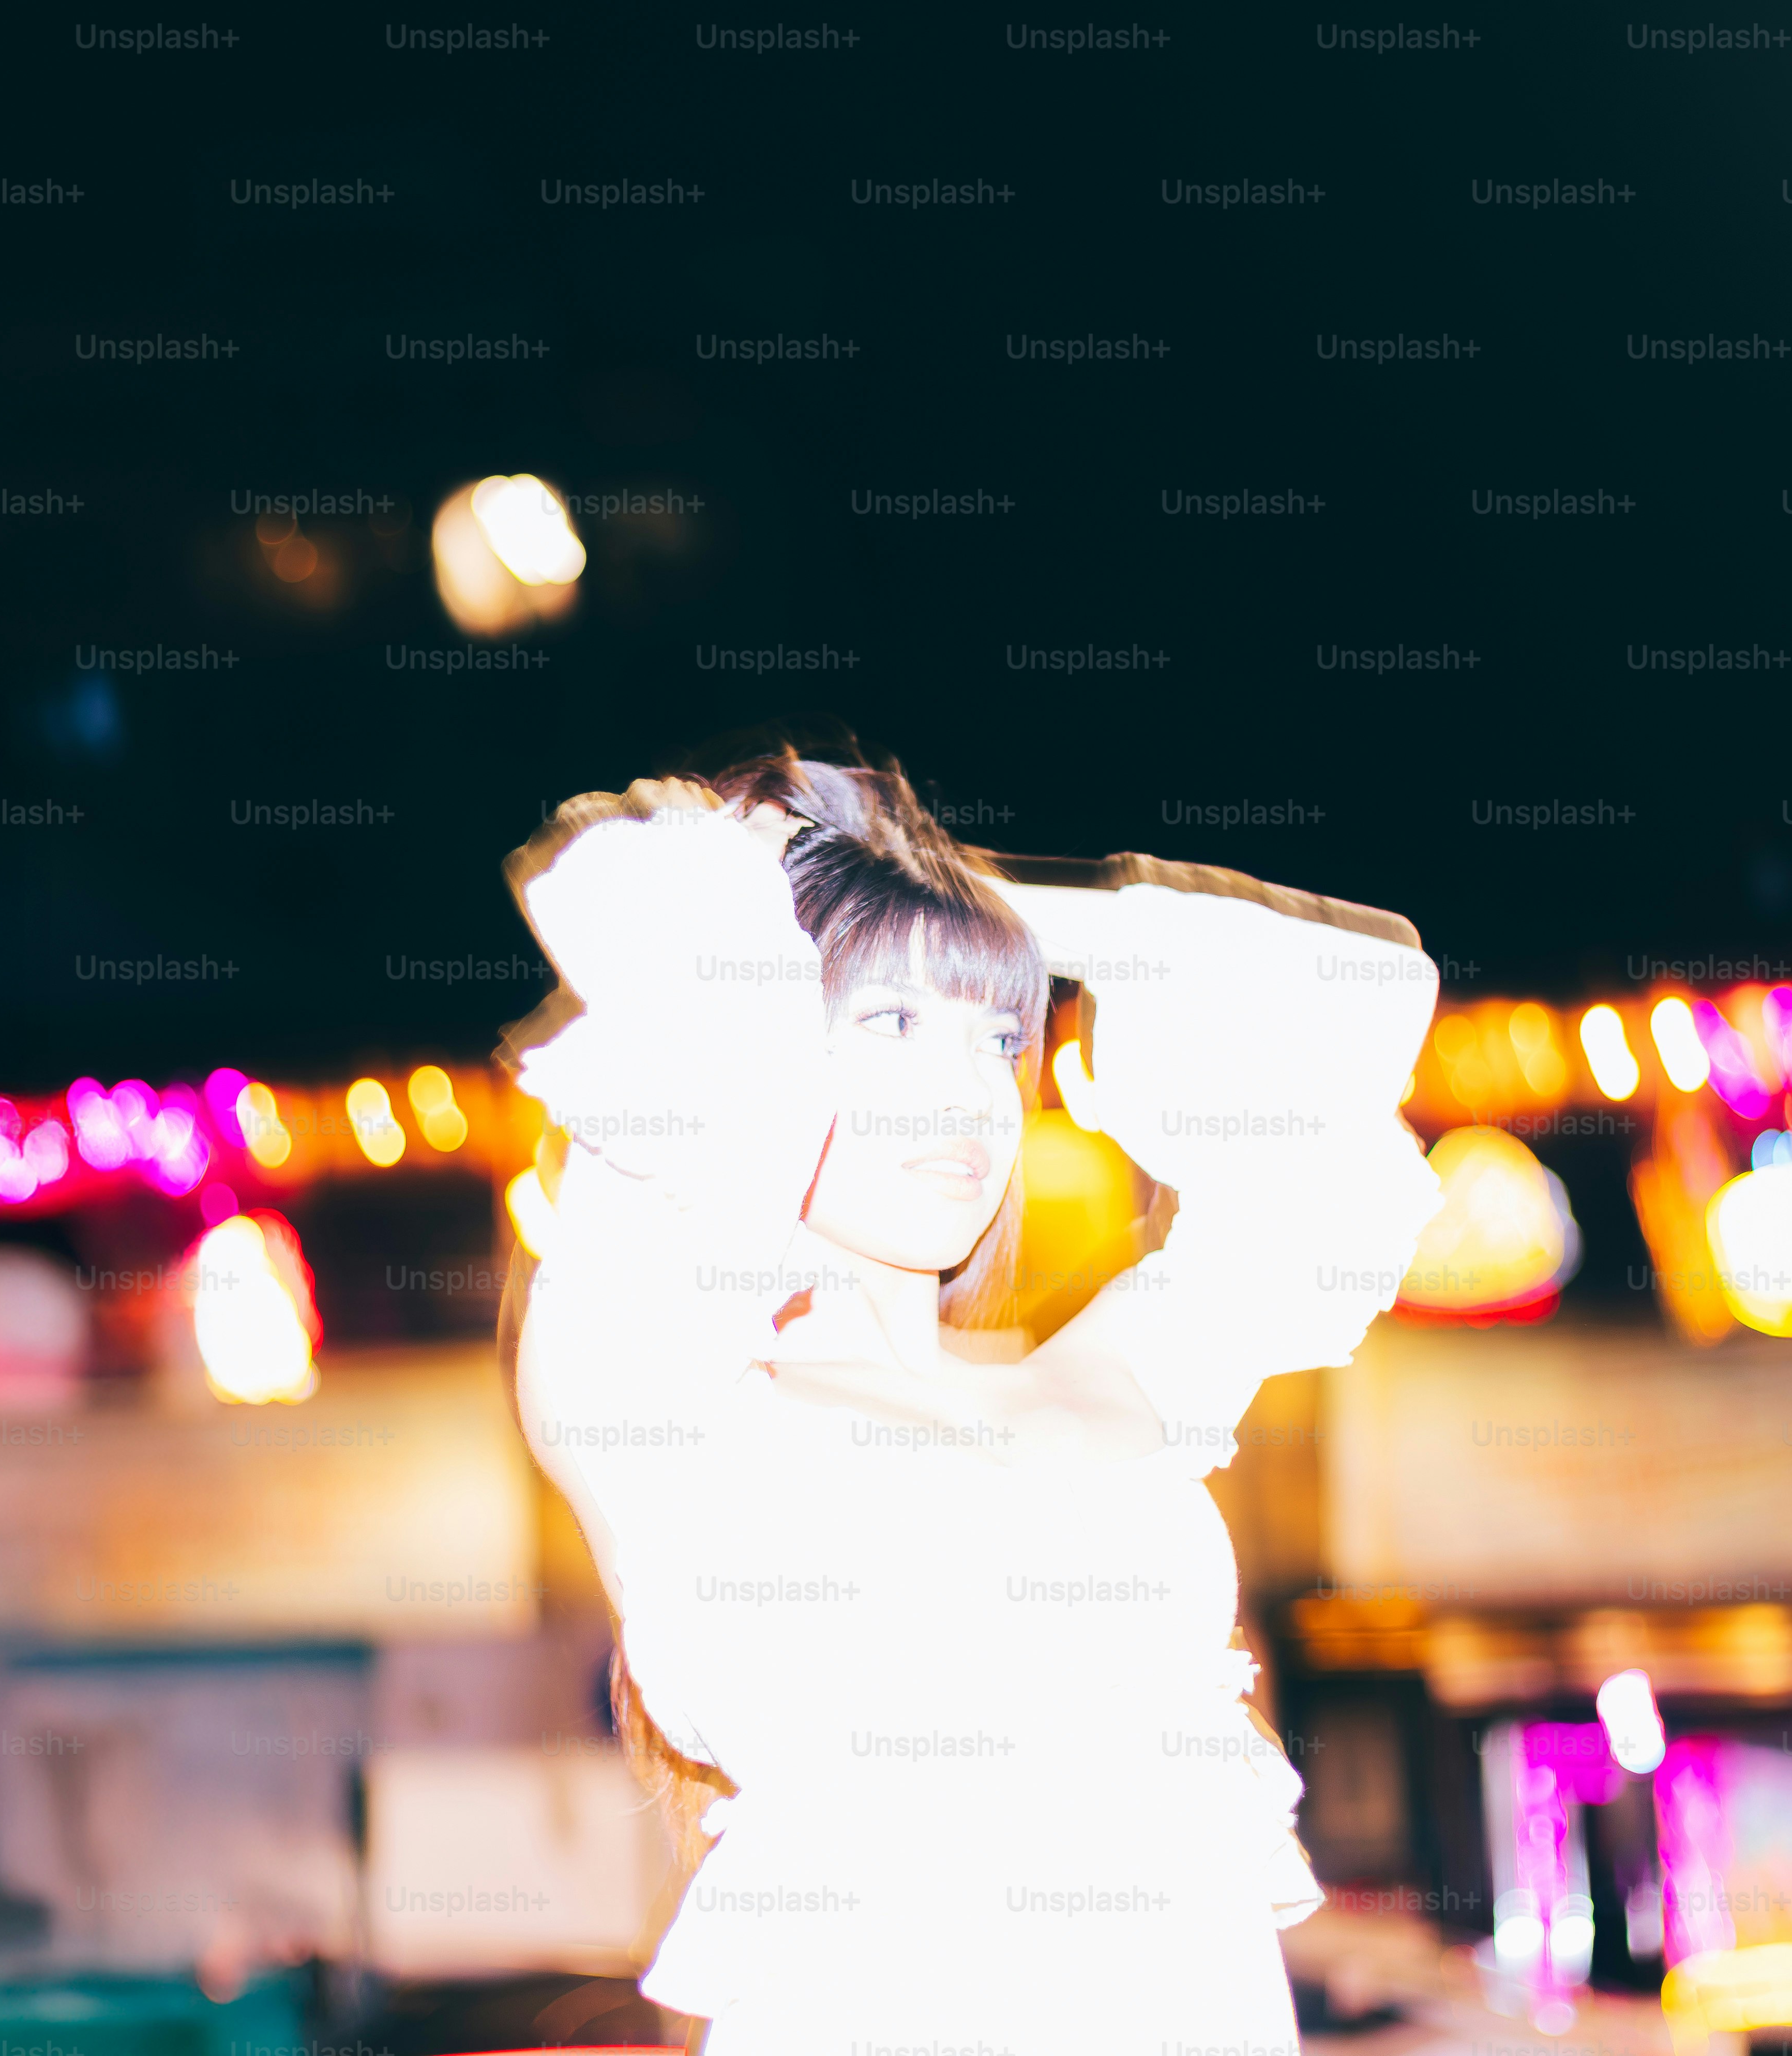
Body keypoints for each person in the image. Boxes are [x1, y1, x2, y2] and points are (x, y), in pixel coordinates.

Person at [497, 743, 1444, 2052]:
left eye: (1001, 1036)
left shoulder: (1107, 1376)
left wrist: (986, 907)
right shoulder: (674, 1405)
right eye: (888, 1025)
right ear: (768, 1043)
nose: (968, 1094)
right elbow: (648, 917)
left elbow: (1349, 1027)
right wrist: (873, 885)